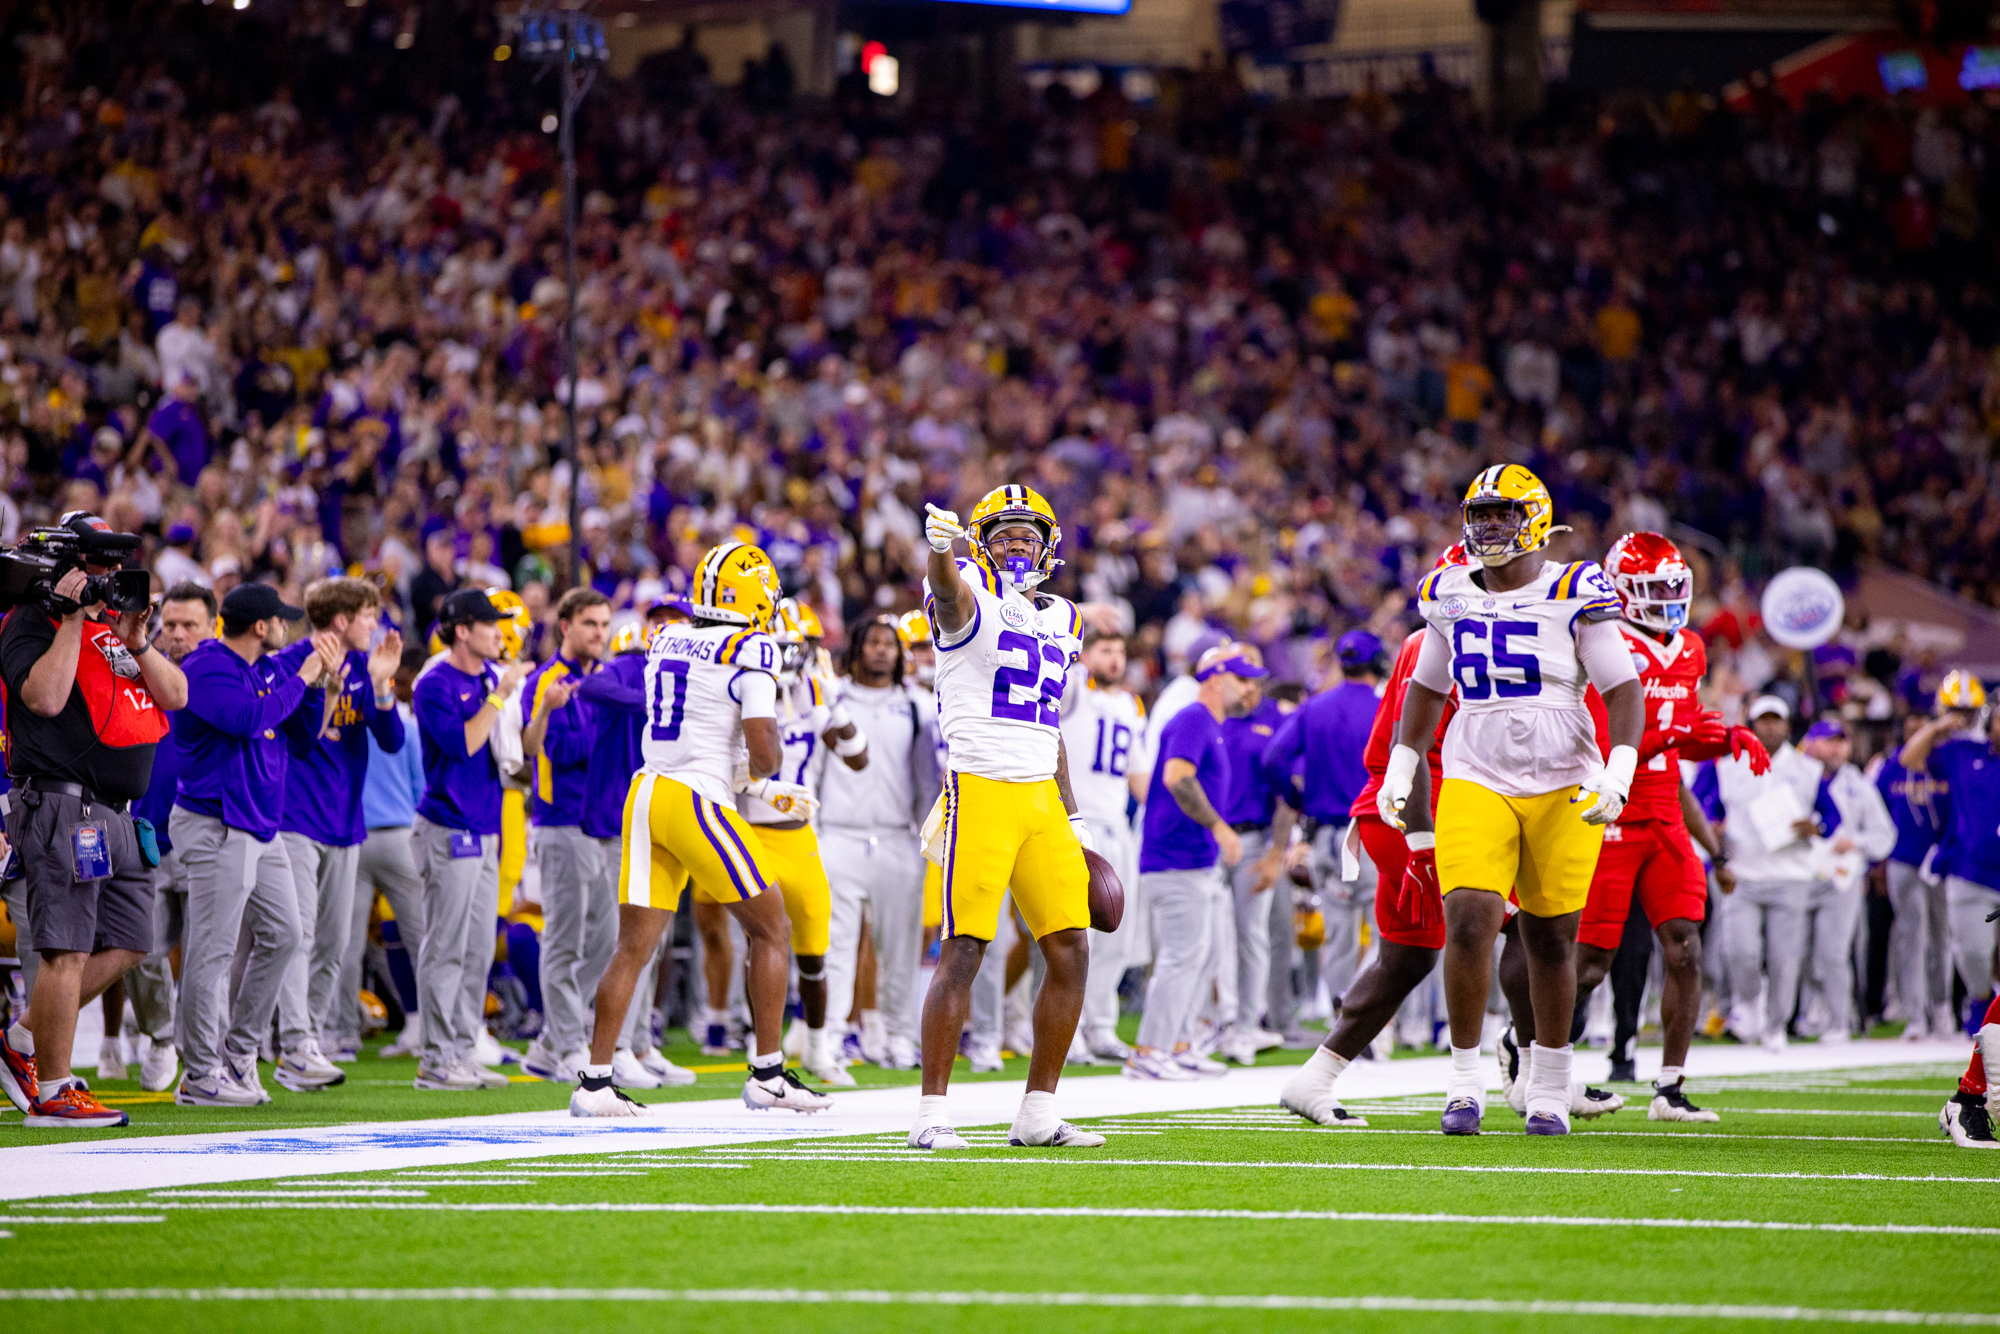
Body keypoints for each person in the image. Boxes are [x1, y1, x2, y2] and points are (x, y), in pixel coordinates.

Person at [1381, 464, 1644, 1136]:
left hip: (1565, 777)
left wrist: (1618, 771)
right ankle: (1465, 1079)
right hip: (1476, 770)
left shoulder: (1574, 587)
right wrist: (1402, 765)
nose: (1488, 527)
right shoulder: (1448, 592)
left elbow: (1621, 689)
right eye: (1480, 515)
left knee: (1552, 938)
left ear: (1533, 519)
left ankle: (1550, 1082)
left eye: (1501, 514)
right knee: (1468, 916)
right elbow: (1427, 689)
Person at [570, 541, 831, 1117]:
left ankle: (593, 1081)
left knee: (633, 947)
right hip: (695, 799)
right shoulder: (752, 646)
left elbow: (702, 724)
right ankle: (767, 1073)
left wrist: (750, 774)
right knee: (773, 928)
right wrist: (769, 766)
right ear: (757, 593)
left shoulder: (667, 637)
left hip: (647, 792)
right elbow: (763, 753)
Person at [906, 486, 1103, 1151]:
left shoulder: (1068, 619)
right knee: (965, 949)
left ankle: (1038, 1112)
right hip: (981, 786)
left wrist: (1073, 815)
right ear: (980, 541)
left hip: (1040, 795)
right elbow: (952, 595)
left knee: (1071, 948)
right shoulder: (967, 592)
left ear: (1049, 547)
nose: (1017, 542)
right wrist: (940, 555)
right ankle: (932, 1113)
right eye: (1004, 533)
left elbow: (1050, 724)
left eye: (1029, 533)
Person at [1562, 532, 1770, 1120]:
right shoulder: (1603, 639)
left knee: (1684, 946)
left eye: (1674, 589)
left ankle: (1669, 1087)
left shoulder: (1690, 649)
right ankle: (1533, 1054)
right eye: (1654, 590)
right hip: (1608, 804)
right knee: (1592, 962)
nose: (1667, 600)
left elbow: (1685, 727)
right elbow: (1610, 736)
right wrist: (1678, 734)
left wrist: (1725, 734)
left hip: (1663, 809)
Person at [0, 515, 188, 1128]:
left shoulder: (117, 631)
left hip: (119, 814)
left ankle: (21, 1040)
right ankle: (53, 1090)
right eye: (98, 567)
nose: (109, 580)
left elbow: (175, 695)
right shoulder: (28, 622)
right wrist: (73, 619)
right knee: (66, 949)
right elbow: (45, 698)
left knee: (133, 940)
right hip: (62, 804)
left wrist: (138, 640)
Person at [1279, 606, 1459, 1129]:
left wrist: (1304, 807)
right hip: (1424, 812)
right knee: (1512, 925)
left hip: (1368, 819)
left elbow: (1276, 759)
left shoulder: (1318, 705)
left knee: (1399, 955)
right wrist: (1424, 841)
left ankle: (1316, 1075)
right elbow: (1414, 746)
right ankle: (1512, 1071)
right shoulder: (1441, 651)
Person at [171, 583, 339, 1107]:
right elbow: (250, 720)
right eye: (281, 620)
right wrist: (305, 675)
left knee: (287, 934)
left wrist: (318, 688)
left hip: (260, 826)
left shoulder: (263, 670)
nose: (288, 628)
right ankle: (200, 1071)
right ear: (261, 627)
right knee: (212, 950)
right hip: (216, 821)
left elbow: (303, 737)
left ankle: (240, 1053)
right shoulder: (206, 666)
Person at [270, 577, 405, 1084]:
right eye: (369, 616)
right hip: (296, 816)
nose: (377, 625)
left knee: (333, 941)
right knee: (298, 935)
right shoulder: (293, 661)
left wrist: (384, 686)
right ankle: (296, 1043)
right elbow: (300, 742)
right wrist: (322, 686)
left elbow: (391, 741)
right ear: (343, 620)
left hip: (345, 820)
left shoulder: (366, 669)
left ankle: (315, 1037)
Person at [409, 588, 531, 1091]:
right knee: (446, 946)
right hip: (448, 825)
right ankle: (435, 1058)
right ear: (462, 629)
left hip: (484, 825)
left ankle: (460, 1049)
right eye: (489, 623)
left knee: (478, 947)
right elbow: (462, 745)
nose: (498, 632)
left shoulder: (482, 676)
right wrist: (501, 694)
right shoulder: (434, 682)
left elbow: (509, 755)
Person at [570, 612, 698, 1087]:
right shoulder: (632, 664)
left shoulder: (691, 673)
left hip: (658, 820)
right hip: (615, 818)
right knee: (622, 939)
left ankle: (640, 1042)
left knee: (652, 940)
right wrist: (654, 702)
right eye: (664, 621)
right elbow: (593, 687)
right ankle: (612, 1044)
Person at [1126, 642, 1263, 1079]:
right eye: (1242, 680)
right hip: (1175, 855)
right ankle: (1148, 1050)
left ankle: (1179, 1043)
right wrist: (1220, 827)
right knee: (1182, 956)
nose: (1249, 689)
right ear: (1217, 679)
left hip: (1193, 858)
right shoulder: (1192, 718)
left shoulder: (1211, 723)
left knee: (1199, 957)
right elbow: (1176, 777)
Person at [819, 612, 937, 1074]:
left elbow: (928, 783)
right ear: (857, 647)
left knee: (901, 949)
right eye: (873, 641)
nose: (883, 649)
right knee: (836, 946)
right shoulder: (832, 698)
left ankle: (899, 1036)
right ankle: (829, 1037)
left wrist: (928, 840)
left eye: (890, 643)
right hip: (838, 834)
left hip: (896, 837)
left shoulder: (917, 706)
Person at [754, 598, 866, 1086]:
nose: (792, 655)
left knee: (814, 950)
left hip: (798, 836)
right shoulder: (745, 688)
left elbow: (858, 757)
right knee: (760, 940)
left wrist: (832, 703)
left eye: (800, 645)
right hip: (747, 830)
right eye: (786, 645)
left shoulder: (809, 696)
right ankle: (765, 1049)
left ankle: (819, 1050)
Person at [1263, 629, 1389, 1051]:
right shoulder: (1384, 706)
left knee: (1339, 936)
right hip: (1372, 831)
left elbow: (1275, 758)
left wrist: (1299, 799)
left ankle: (1344, 1017)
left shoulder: (1314, 708)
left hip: (1325, 833)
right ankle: (1372, 1017)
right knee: (1384, 931)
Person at [517, 588, 616, 1084]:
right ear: (566, 627)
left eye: (604, 624)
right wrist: (608, 723)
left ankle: (552, 1041)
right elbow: (557, 749)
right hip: (562, 821)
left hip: (602, 823)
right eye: (590, 624)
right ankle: (570, 1041)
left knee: (606, 937)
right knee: (563, 940)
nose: (599, 633)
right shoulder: (546, 681)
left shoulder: (607, 679)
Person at [1690, 695, 1825, 1051]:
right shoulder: (1726, 766)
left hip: (1791, 874)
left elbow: (1832, 814)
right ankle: (1749, 1003)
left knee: (1784, 957)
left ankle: (1776, 1024)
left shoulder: (1807, 768)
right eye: (1762, 720)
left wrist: (1817, 825)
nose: (1769, 726)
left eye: (1775, 720)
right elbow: (1699, 803)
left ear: (1787, 725)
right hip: (1742, 874)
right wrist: (1712, 825)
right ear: (1752, 725)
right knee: (1740, 951)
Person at [122, 582, 215, 1093]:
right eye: (171, 624)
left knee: (208, 951)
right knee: (143, 948)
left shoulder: (227, 676)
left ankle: (207, 1048)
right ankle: (160, 1035)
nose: (177, 635)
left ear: (213, 627)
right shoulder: (139, 665)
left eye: (189, 625)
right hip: (151, 831)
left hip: (208, 832)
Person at [1056, 628, 1146, 1064]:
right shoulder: (1073, 689)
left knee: (1116, 934)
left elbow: (1138, 775)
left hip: (1118, 824)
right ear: (1087, 655)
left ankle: (1101, 1026)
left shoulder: (1131, 703)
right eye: (1105, 650)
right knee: (1073, 933)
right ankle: (1067, 1030)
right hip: (1077, 822)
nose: (1115, 659)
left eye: (1120, 651)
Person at [1895, 672, 2000, 1037]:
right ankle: (1976, 1005)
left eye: (1968, 711)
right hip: (1969, 869)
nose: (1964, 717)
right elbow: (1909, 757)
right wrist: (1939, 725)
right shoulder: (1960, 753)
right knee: (1971, 951)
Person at [1208, 643, 1293, 1063]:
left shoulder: (1276, 720)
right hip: (1207, 839)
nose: (1248, 686)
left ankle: (1246, 1027)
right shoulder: (1209, 717)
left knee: (1251, 936)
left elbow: (1290, 792)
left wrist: (1278, 852)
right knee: (1204, 937)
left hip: (1254, 840)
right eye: (1241, 677)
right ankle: (1205, 1026)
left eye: (1253, 676)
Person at [348, 644, 429, 1061]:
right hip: (400, 835)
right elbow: (420, 787)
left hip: (357, 836)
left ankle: (339, 1032)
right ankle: (427, 1029)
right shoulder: (407, 725)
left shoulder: (352, 723)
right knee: (421, 939)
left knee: (347, 942)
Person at [1793, 717, 1895, 1043]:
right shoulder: (1795, 777)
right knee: (1800, 952)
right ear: (1810, 743)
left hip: (1841, 877)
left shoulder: (1859, 786)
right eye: (1829, 740)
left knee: (1833, 952)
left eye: (1841, 740)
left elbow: (1885, 835)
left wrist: (1857, 843)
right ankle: (1815, 1010)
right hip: (1800, 874)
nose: (1837, 747)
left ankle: (1839, 1019)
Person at [1872, 710, 1953, 1040]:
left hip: (1941, 861)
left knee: (1942, 939)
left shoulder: (1945, 763)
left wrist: (1947, 848)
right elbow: (1875, 812)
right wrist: (1878, 859)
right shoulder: (1891, 766)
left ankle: (1943, 1008)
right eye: (1911, 728)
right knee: (1911, 937)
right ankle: (1916, 1014)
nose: (1916, 734)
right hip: (1902, 859)